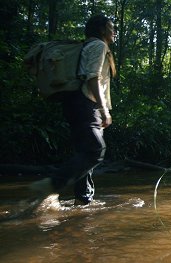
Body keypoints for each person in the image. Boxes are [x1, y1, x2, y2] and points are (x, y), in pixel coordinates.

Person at [30, 14, 116, 205]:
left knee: (84, 152)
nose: (114, 31)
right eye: (111, 27)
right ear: (102, 29)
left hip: (76, 104)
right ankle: (52, 184)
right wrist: (103, 109)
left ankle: (83, 201)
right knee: (95, 150)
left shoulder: (89, 46)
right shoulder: (98, 46)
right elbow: (92, 77)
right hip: (86, 104)